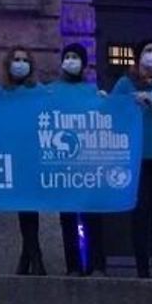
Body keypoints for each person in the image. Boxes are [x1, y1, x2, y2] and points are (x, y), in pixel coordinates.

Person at [110, 39, 152, 278]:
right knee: (140, 214)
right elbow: (111, 112)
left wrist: (151, 100)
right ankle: (142, 269)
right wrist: (131, 100)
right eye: (149, 50)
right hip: (135, 158)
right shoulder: (125, 83)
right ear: (138, 55)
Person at [47, 43, 104, 277]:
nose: (70, 60)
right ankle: (73, 266)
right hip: (62, 164)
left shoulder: (92, 91)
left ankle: (97, 265)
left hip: (89, 163)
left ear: (83, 63)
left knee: (93, 217)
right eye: (67, 56)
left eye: (75, 57)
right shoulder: (52, 91)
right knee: (67, 218)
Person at [1, 46, 47, 276]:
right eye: (16, 59)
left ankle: (31, 256)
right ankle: (31, 257)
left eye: (24, 60)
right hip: (10, 157)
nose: (19, 63)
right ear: (8, 64)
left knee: (29, 207)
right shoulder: (1, 93)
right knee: (23, 207)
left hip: (33, 156)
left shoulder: (39, 91)